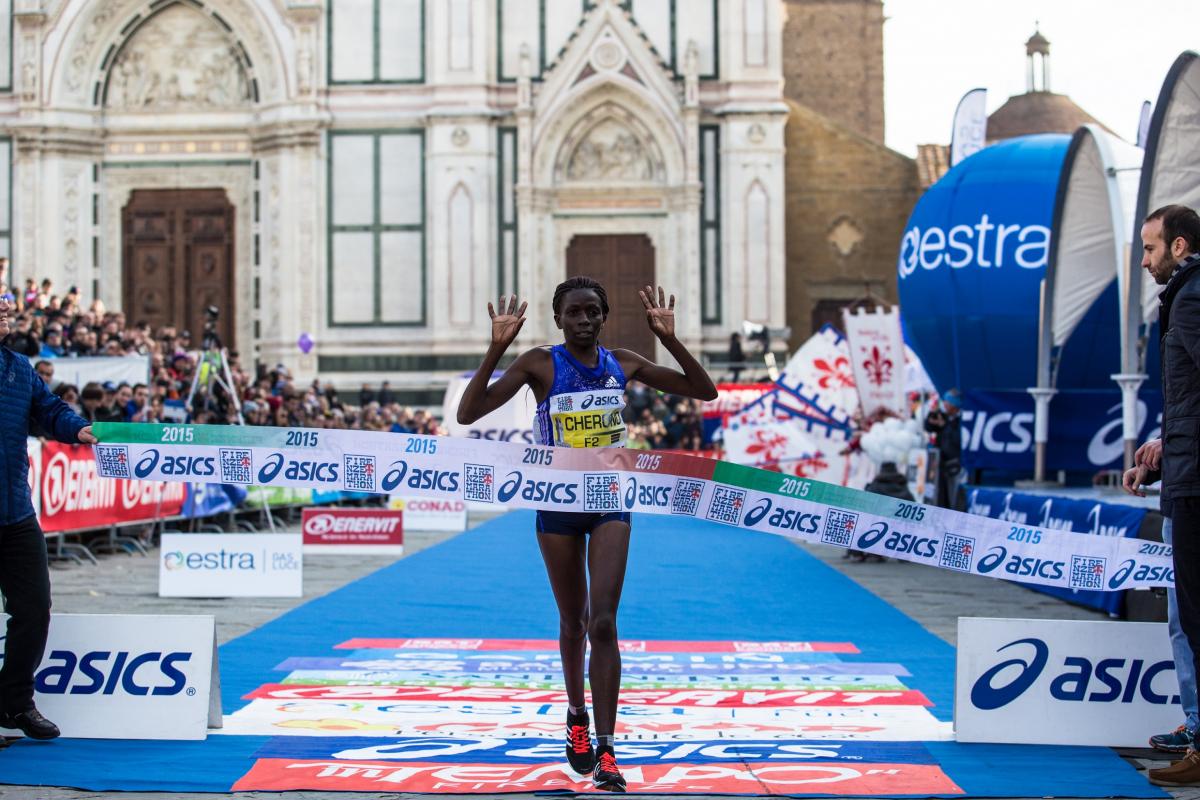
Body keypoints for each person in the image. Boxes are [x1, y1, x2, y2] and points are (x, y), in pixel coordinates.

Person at [457, 280, 716, 792]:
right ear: (559, 319)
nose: (583, 320)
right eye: (573, 312)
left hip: (608, 503)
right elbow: (469, 412)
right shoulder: (539, 364)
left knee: (603, 622)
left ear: (603, 317)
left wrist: (670, 338)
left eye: (592, 312)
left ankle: (607, 749)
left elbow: (703, 390)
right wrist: (495, 349)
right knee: (572, 621)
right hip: (556, 506)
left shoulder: (624, 361)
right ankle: (576, 714)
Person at [1120, 204, 1200, 787]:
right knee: (1184, 619)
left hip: (1196, 488)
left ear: (1178, 246)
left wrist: (1176, 455)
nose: (1144, 261)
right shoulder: (1184, 298)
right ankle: (1196, 726)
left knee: (1193, 620)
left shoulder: (1192, 298)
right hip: (1184, 475)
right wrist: (1163, 448)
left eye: (1150, 249)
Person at [0, 296, 95, 740]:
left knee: (34, 609)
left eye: (7, 307)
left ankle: (15, 704)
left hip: (15, 511)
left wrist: (77, 428)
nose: (6, 313)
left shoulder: (20, 367)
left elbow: (50, 410)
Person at [924, 388, 963, 509]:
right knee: (940, 496)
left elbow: (957, 439)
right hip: (940, 463)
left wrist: (945, 425)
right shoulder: (944, 417)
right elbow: (928, 427)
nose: (944, 404)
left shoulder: (961, 420)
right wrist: (932, 415)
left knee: (953, 497)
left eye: (947, 402)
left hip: (955, 465)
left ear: (955, 405)